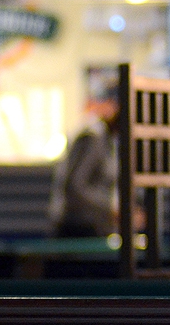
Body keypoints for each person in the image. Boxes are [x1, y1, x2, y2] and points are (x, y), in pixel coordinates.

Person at [50, 93, 121, 238]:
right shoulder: (93, 139)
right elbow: (75, 186)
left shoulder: (109, 140)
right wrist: (110, 208)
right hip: (79, 227)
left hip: (96, 225)